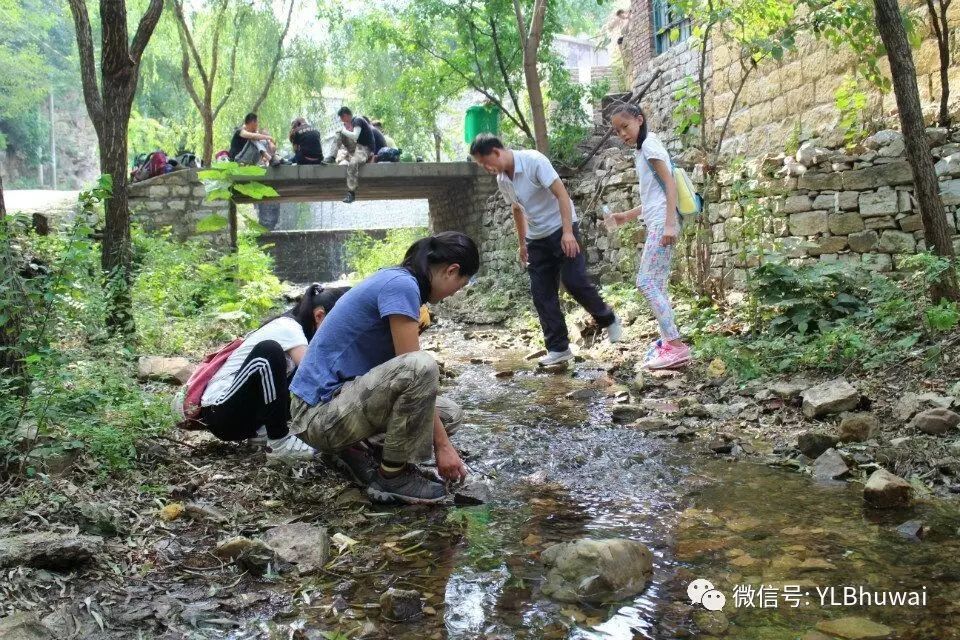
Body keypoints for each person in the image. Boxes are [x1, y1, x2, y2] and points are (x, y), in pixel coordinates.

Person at [289, 232, 479, 504]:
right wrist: (443, 447)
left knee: (449, 415)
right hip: (316, 416)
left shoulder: (396, 279)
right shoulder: (402, 287)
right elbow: (413, 367)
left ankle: (356, 451)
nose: (452, 295)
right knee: (421, 366)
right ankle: (393, 476)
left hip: (332, 406)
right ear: (452, 271)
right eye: (458, 286)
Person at [470, 134, 622, 367]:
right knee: (541, 293)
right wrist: (522, 243)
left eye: (485, 162)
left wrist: (568, 232)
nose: (486, 168)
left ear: (496, 152)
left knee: (573, 281)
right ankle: (558, 348)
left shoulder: (533, 161)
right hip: (536, 239)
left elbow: (561, 194)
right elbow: (517, 210)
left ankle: (607, 317)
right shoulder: (503, 179)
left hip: (562, 228)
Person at [197, 284, 351, 460]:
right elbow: (316, 375)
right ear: (319, 315)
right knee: (270, 351)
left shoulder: (300, 333)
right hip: (220, 413)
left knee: (295, 375)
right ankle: (278, 441)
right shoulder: (288, 327)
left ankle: (261, 432)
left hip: (244, 417)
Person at [607, 104, 691, 370]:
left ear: (639, 120)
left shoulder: (651, 147)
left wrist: (669, 226)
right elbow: (654, 195)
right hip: (657, 220)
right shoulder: (644, 149)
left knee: (645, 282)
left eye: (625, 126)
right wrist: (627, 216)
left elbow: (670, 185)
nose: (622, 134)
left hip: (661, 224)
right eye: (617, 130)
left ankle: (676, 346)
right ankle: (669, 343)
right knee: (658, 286)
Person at [326, 107, 386, 203]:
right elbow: (353, 139)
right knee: (339, 133)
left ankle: (351, 193)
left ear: (345, 116)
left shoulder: (358, 120)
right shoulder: (355, 122)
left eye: (342, 119)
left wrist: (343, 130)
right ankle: (332, 157)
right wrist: (342, 132)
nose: (342, 122)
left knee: (353, 163)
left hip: (366, 149)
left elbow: (355, 136)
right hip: (358, 146)